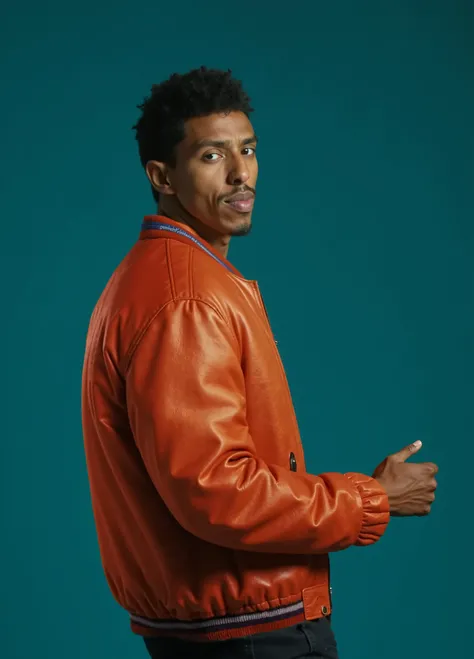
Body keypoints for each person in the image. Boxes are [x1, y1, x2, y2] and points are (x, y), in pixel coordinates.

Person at [81, 66, 438, 659]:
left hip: (229, 624)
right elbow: (215, 490)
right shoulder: (185, 299)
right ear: (161, 175)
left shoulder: (178, 280)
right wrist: (371, 498)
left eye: (247, 149)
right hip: (249, 632)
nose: (242, 172)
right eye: (212, 156)